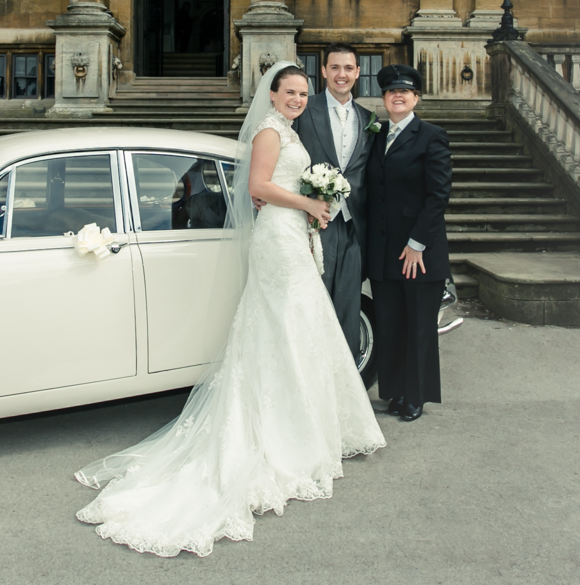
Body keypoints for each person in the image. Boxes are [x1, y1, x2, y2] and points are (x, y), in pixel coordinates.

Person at [74, 63, 385, 557]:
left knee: (296, 329)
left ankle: (307, 426)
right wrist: (308, 205)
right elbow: (257, 188)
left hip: (289, 234)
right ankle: (285, 434)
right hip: (278, 240)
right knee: (285, 326)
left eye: (304, 93)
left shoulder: (288, 130)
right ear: (274, 94)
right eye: (291, 92)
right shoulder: (268, 131)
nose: (299, 99)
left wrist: (310, 205)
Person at [363, 64, 452, 423]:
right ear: (383, 98)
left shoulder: (431, 135)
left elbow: (438, 194)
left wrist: (417, 243)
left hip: (418, 250)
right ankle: (395, 392)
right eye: (390, 92)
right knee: (389, 322)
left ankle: (416, 396)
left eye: (405, 92)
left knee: (418, 325)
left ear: (416, 98)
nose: (397, 96)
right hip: (384, 250)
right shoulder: (376, 134)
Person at [292, 43, 373, 360]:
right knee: (312, 303)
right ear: (323, 71)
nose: (342, 74)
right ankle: (309, 376)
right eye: (335, 68)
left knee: (349, 307)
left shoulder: (368, 118)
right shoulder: (303, 109)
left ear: (357, 73)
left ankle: (344, 382)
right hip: (313, 225)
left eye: (349, 68)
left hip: (354, 227)